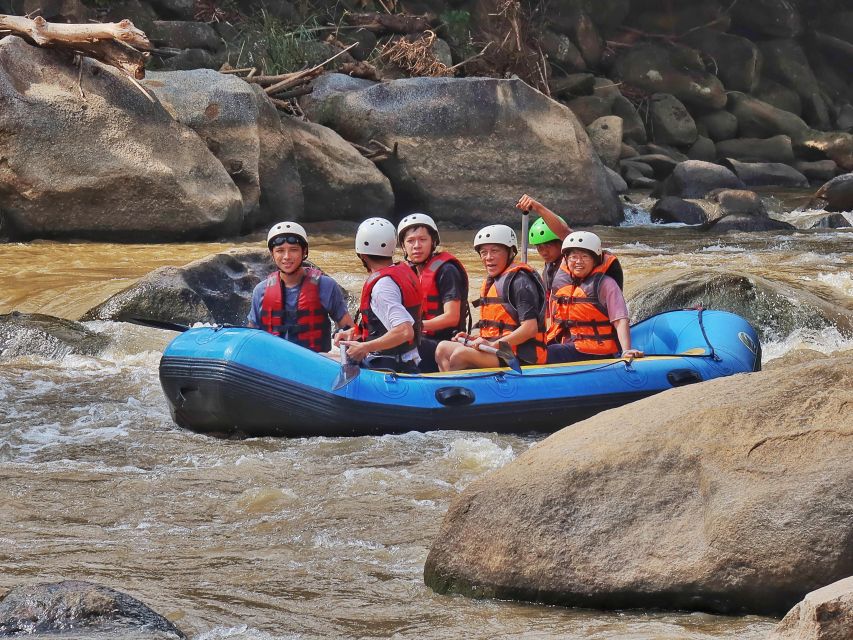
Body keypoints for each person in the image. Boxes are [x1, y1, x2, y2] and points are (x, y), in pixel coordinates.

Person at [435, 224, 547, 371]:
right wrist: (473, 340)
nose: (488, 257)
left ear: (510, 252)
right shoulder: (495, 280)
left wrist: (493, 345)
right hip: (498, 350)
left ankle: (460, 391)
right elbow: (494, 332)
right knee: (442, 348)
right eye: (483, 252)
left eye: (495, 251)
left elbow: (530, 328)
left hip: (519, 356)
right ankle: (448, 387)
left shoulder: (520, 282)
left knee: (460, 354)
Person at [247, 221, 353, 352]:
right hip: (273, 363)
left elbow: (349, 329)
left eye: (294, 250)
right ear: (272, 254)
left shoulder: (326, 286)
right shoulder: (260, 290)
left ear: (304, 252)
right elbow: (250, 336)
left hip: (314, 362)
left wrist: (346, 336)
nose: (286, 257)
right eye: (280, 251)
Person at [335, 217, 423, 373]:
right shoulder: (402, 271)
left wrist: (364, 347)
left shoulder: (382, 286)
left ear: (361, 253)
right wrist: (355, 333)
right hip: (403, 359)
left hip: (390, 366)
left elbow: (404, 331)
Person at [545, 231, 643, 363]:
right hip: (568, 345)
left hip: (597, 349)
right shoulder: (562, 285)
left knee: (549, 352)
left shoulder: (606, 284)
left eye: (585, 257)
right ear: (566, 260)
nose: (578, 262)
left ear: (595, 260)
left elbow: (620, 320)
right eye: (573, 257)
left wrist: (626, 350)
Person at [396, 213, 469, 373]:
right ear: (403, 246)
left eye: (423, 240)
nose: (416, 246)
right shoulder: (408, 273)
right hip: (422, 337)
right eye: (410, 241)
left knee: (400, 344)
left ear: (433, 242)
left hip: (445, 343)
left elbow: (452, 317)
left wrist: (414, 327)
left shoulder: (446, 270)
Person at [516, 194, 573, 296]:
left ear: (561, 243)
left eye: (547, 246)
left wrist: (538, 208)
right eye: (539, 247)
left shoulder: (573, 261)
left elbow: (565, 233)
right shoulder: (549, 267)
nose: (543, 252)